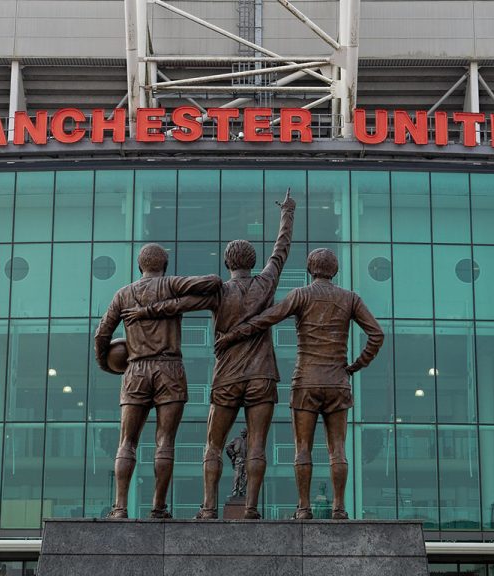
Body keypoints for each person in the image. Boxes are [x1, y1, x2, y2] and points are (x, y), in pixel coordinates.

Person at [121, 190, 295, 519]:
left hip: (227, 376)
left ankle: (209, 508)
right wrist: (288, 213)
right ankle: (251, 509)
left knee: (214, 445)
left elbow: (179, 305)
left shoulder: (219, 292)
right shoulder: (266, 282)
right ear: (252, 262)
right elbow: (281, 249)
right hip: (262, 375)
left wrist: (145, 311)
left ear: (227, 263)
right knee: (257, 444)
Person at [215, 248, 384, 520]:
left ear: (309, 270)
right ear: (335, 270)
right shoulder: (350, 298)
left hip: (306, 381)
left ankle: (304, 508)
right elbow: (377, 334)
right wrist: (356, 364)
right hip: (337, 381)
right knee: (338, 449)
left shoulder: (300, 295)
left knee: (302, 448)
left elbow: (265, 319)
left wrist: (232, 335)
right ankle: (339, 508)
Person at [94, 243, 222, 519]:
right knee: (165, 441)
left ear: (140, 266)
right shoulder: (172, 285)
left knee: (127, 442)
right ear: (164, 266)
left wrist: (106, 364)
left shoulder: (123, 294)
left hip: (135, 370)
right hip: (169, 368)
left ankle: (120, 507)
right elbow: (213, 282)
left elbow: (102, 334)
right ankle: (158, 507)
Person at [225, 428, 248, 498]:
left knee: (245, 477)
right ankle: (234, 491)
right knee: (237, 476)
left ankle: (242, 491)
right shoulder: (236, 439)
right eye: (242, 432)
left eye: (244, 432)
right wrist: (233, 454)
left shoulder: (249, 441)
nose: (243, 434)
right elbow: (227, 446)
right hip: (238, 459)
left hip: (246, 460)